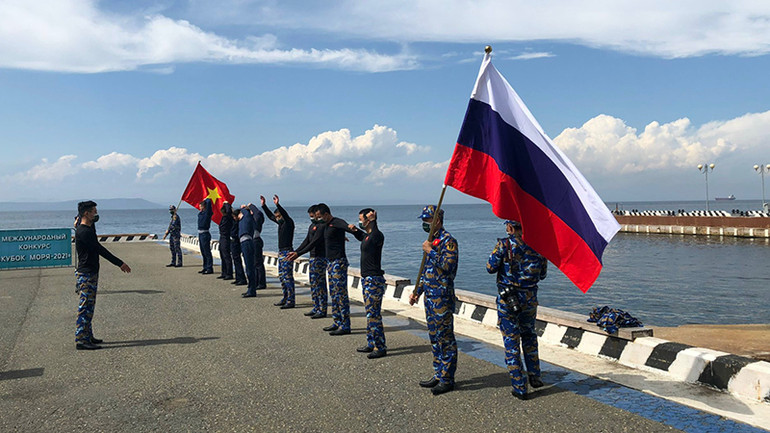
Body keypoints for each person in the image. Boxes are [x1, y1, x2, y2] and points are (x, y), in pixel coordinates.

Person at [486, 220, 547, 400]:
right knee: (529, 336)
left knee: (511, 341)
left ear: (511, 227)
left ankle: (520, 386)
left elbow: (489, 268)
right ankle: (535, 376)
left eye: (507, 225)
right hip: (530, 300)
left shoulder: (504, 245)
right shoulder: (539, 246)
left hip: (509, 300)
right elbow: (542, 275)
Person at [409, 205, 458, 395]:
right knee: (434, 337)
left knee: (445, 338)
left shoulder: (448, 241)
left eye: (427, 220)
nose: (424, 224)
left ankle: (447, 379)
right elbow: (427, 272)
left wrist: (430, 251)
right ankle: (438, 373)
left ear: (436, 221)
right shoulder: (433, 241)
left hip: (442, 298)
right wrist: (417, 291)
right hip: (430, 297)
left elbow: (448, 266)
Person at [288, 203, 353, 335]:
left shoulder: (335, 222)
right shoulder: (324, 226)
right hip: (330, 263)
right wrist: (297, 252)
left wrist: (353, 230)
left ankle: (345, 325)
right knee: (334, 294)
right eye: (315, 217)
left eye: (318, 216)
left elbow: (344, 227)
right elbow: (310, 240)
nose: (317, 219)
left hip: (338, 262)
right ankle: (337, 322)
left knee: (340, 295)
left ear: (326, 214)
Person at [74, 201, 131, 350]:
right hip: (86, 274)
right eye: (93, 212)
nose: (96, 214)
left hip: (91, 272)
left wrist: (84, 219)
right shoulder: (84, 232)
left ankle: (88, 335)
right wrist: (120, 263)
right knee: (85, 307)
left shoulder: (87, 228)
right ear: (86, 213)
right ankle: (81, 339)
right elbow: (100, 249)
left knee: (90, 307)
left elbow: (88, 225)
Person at [348, 208, 387, 358]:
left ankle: (380, 347)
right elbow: (363, 236)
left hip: (374, 280)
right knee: (369, 313)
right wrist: (354, 230)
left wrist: (374, 220)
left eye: (361, 219)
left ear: (368, 220)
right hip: (367, 279)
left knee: (374, 314)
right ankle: (371, 342)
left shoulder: (377, 235)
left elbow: (372, 235)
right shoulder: (368, 236)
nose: (360, 221)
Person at [262, 195, 295, 309]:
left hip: (287, 251)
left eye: (278, 216)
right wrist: (264, 205)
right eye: (276, 217)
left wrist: (277, 205)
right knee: (282, 276)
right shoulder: (280, 224)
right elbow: (271, 216)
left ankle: (291, 300)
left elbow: (285, 215)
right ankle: (285, 297)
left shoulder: (288, 223)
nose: (277, 218)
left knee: (288, 277)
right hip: (281, 252)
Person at [294, 205, 328, 319]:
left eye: (313, 216)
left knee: (320, 284)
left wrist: (299, 254)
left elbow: (314, 242)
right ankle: (316, 306)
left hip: (320, 257)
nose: (312, 218)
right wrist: (296, 251)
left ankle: (322, 308)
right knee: (313, 284)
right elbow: (307, 241)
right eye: (310, 217)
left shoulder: (322, 226)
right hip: (312, 258)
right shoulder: (312, 226)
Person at [238, 205, 258, 297]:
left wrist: (244, 207)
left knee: (250, 267)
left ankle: (252, 290)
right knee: (248, 267)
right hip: (244, 243)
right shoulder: (243, 221)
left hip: (247, 242)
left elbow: (246, 212)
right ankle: (250, 288)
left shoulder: (247, 218)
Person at [247, 202, 267, 291]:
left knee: (258, 263)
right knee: (254, 263)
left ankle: (261, 282)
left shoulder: (257, 220)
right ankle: (256, 281)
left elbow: (258, 214)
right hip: (252, 241)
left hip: (256, 241)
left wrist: (251, 206)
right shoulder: (251, 220)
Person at [229, 208, 247, 287]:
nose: (233, 218)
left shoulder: (238, 223)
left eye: (234, 216)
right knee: (235, 261)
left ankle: (242, 278)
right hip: (233, 241)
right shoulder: (234, 222)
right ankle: (238, 277)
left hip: (236, 241)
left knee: (237, 260)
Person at [218, 202, 234, 280]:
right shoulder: (223, 218)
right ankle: (224, 272)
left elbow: (228, 211)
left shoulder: (228, 217)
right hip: (222, 237)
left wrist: (226, 204)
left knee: (226, 255)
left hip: (226, 237)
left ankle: (229, 273)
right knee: (222, 255)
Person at [197, 198, 214, 275]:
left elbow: (209, 205)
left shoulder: (207, 213)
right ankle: (205, 267)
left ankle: (209, 268)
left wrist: (207, 199)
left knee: (207, 252)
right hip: (200, 234)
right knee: (203, 251)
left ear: (203, 206)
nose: (199, 207)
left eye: (200, 206)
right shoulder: (200, 214)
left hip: (205, 234)